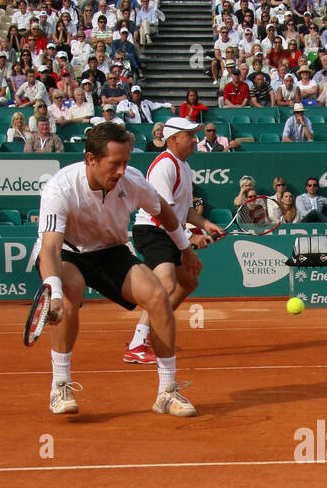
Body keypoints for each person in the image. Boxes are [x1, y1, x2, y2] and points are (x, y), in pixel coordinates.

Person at [36, 121, 202, 417]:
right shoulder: (60, 188)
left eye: (126, 162)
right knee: (71, 294)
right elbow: (49, 247)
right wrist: (55, 292)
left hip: (112, 250)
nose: (122, 171)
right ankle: (59, 385)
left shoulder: (132, 181)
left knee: (158, 295)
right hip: (69, 252)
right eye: (115, 164)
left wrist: (184, 248)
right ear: (91, 159)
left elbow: (162, 210)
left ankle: (166, 392)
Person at [126, 117, 225, 364]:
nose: (195, 139)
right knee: (165, 285)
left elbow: (186, 210)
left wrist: (205, 224)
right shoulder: (164, 166)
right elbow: (163, 214)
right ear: (173, 139)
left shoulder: (184, 166)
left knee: (188, 281)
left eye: (194, 135)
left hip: (168, 231)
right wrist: (191, 238)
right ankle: (137, 344)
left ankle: (155, 331)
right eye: (190, 135)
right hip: (152, 230)